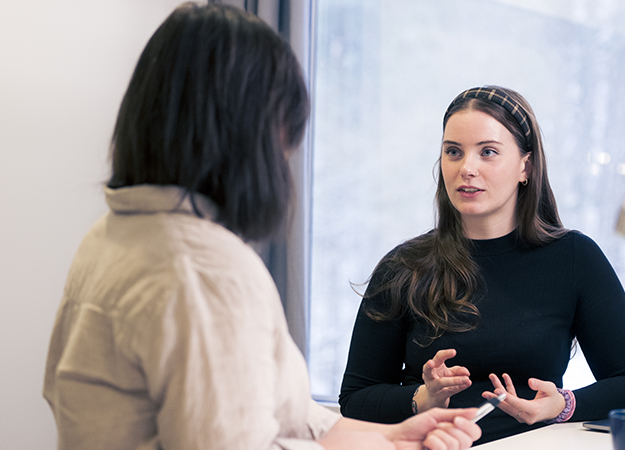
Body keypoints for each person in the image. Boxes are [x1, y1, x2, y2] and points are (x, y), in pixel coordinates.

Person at [42, 4, 481, 450]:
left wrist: (388, 436)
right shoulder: (206, 271)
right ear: (247, 136)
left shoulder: (113, 236)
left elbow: (280, 413)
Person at [338, 86, 625, 445]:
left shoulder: (574, 257)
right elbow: (355, 399)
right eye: (453, 152)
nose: (467, 168)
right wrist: (422, 399)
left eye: (488, 152)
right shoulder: (404, 267)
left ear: (526, 165)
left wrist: (562, 405)